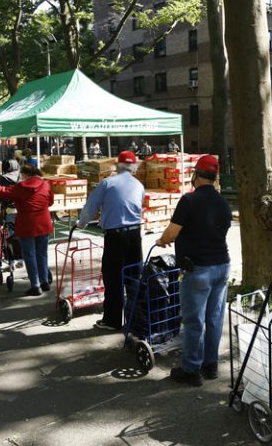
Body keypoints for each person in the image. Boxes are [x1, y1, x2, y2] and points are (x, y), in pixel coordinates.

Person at [156, 155, 231, 386]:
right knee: (215, 317)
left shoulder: (188, 201)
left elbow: (171, 233)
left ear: (196, 175)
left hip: (198, 268)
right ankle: (211, 364)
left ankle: (191, 369)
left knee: (193, 320)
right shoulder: (223, 201)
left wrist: (162, 241)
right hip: (222, 265)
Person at [77, 150, 144, 330]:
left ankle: (112, 321)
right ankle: (136, 319)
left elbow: (91, 206)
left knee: (113, 277)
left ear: (118, 165)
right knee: (134, 277)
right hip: (135, 234)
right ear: (133, 166)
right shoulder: (139, 185)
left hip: (116, 235)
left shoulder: (108, 183)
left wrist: (81, 224)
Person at [0, 165, 54, 295]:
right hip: (44, 223)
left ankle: (35, 285)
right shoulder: (45, 185)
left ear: (25, 175)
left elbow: (3, 191)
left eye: (21, 175)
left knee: (30, 255)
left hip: (27, 224)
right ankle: (44, 281)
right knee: (42, 254)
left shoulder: (21, 187)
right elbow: (50, 202)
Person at [0, 159, 22, 261]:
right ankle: (20, 257)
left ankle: (12, 258)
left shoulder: (2, 179)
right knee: (20, 234)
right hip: (22, 210)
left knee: (9, 236)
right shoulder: (21, 177)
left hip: (8, 211)